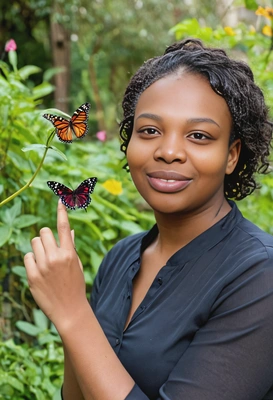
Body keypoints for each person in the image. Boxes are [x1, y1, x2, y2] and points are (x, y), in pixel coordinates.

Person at [24, 38, 273, 400]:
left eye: (199, 136)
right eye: (150, 131)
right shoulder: (121, 258)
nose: (168, 151)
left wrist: (73, 313)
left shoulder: (259, 276)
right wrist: (70, 315)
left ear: (232, 155)